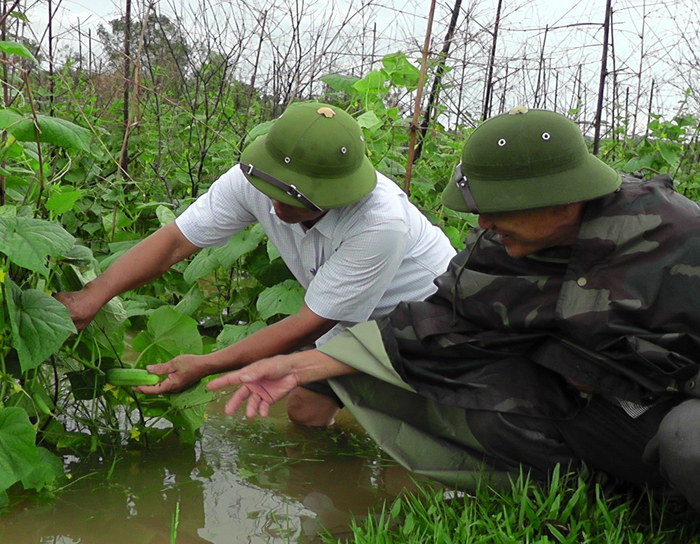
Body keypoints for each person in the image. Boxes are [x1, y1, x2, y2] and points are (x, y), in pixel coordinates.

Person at [206, 107, 700, 512]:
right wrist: (300, 364)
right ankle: (614, 501)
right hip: (602, 406)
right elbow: (441, 321)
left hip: (674, 406)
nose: (484, 221)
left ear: (563, 200)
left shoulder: (678, 236)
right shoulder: (497, 246)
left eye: (499, 206)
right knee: (481, 405)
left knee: (688, 441)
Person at [56, 101, 455, 427]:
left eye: (299, 198)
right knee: (304, 410)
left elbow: (309, 324)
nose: (278, 204)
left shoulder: (380, 222)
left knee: (407, 439)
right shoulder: (253, 180)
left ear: (338, 193)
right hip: (349, 317)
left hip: (425, 323)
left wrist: (205, 365)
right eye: (273, 190)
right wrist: (94, 294)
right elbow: (175, 242)